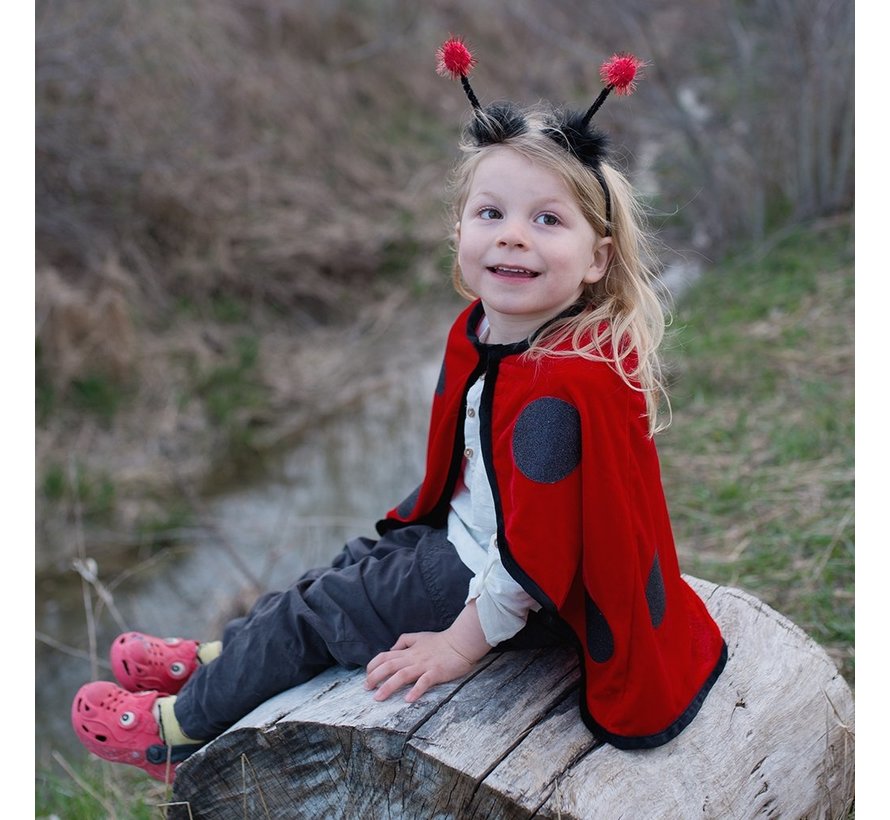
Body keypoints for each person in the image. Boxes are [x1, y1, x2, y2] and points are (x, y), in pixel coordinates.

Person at [71, 37, 727, 783]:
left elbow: (538, 551)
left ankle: (176, 731)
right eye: (492, 213)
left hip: (510, 592)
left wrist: (463, 642)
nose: (514, 233)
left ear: (598, 258)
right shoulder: (487, 334)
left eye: (549, 221)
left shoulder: (562, 386)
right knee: (345, 570)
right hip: (472, 539)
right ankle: (213, 661)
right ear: (459, 233)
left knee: (319, 614)